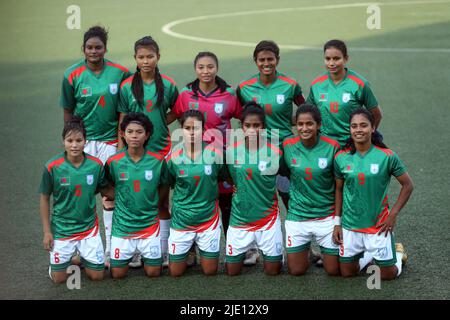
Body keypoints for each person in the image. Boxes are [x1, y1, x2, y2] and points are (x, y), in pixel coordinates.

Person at [60, 25, 130, 266]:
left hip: (111, 142)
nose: (93, 51)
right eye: (89, 47)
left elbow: (125, 109)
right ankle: (81, 249)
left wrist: (122, 143)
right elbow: (68, 112)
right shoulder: (71, 75)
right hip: (83, 143)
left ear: (105, 48)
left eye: (98, 47)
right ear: (83, 48)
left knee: (110, 197)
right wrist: (70, 144)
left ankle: (111, 250)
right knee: (81, 196)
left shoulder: (120, 73)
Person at [236, 40, 305, 264]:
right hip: (255, 153)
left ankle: (304, 247)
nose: (266, 63)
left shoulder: (290, 85)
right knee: (255, 197)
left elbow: (304, 112)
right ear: (255, 62)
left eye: (270, 59)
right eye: (262, 60)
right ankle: (252, 248)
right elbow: (241, 117)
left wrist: (291, 124)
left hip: (283, 152)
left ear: (277, 59)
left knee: (290, 199)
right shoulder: (244, 87)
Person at [170, 51, 241, 252]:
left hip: (222, 159)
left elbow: (244, 117)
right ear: (195, 69)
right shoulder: (185, 95)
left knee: (227, 202)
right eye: (201, 67)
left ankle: (233, 248)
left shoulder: (229, 94)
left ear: (217, 68)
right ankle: (189, 250)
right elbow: (178, 117)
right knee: (194, 201)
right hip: (194, 160)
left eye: (210, 67)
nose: (206, 71)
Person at [118, 36, 178, 267]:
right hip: (133, 155)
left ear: (158, 57)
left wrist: (161, 121)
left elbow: (178, 111)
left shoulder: (169, 85)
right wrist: (121, 149)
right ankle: (135, 249)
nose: (145, 61)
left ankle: (162, 251)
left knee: (161, 203)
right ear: (135, 58)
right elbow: (122, 120)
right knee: (136, 202)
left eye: (150, 56)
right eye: (141, 57)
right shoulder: (126, 87)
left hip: (160, 152)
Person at [333, 108, 413, 280]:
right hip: (350, 226)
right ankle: (370, 254)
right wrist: (337, 223)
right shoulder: (341, 157)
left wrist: (393, 214)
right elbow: (338, 190)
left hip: (378, 225)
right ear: (350, 129)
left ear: (373, 128)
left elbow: (407, 185)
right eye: (354, 126)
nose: (358, 130)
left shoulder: (387, 156)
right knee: (347, 273)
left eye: (363, 125)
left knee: (387, 276)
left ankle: (398, 254)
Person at [39, 116, 114, 283]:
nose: (74, 145)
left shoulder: (95, 165)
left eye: (79, 140)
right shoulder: (52, 167)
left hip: (88, 230)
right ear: (63, 141)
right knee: (59, 279)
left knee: (97, 276)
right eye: (70, 140)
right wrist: (47, 232)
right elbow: (44, 198)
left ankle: (80, 258)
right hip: (62, 230)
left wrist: (129, 193)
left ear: (85, 141)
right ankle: (60, 264)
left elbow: (106, 190)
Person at [105, 112, 169, 279]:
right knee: (117, 274)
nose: (134, 136)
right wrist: (119, 197)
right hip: (122, 227)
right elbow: (106, 187)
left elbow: (164, 186)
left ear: (147, 135)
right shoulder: (113, 162)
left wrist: (154, 203)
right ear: (122, 134)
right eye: (130, 131)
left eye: (139, 132)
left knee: (154, 273)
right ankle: (129, 253)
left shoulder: (158, 161)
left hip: (149, 226)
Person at [225, 102, 283, 276]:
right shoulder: (230, 152)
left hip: (268, 219)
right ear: (241, 127)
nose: (252, 129)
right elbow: (230, 178)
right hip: (239, 219)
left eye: (256, 125)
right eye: (247, 125)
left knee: (273, 271)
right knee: (232, 272)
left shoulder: (275, 152)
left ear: (263, 127)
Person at [283, 103, 340, 276]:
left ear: (319, 125)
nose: (304, 128)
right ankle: (305, 250)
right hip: (298, 216)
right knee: (296, 271)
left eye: (309, 124)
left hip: (326, 217)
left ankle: (367, 252)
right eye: (300, 124)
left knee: (334, 271)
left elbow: (339, 187)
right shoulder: (287, 145)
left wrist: (338, 221)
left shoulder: (332, 146)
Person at [166, 110, 224, 276]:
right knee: (175, 272)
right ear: (181, 129)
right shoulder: (173, 158)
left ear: (204, 130)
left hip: (208, 220)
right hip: (182, 221)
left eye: (196, 128)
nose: (192, 132)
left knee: (210, 271)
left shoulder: (216, 154)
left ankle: (197, 247)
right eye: (187, 128)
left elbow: (223, 177)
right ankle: (189, 249)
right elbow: (168, 184)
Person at [307, 39, 382, 147]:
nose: (331, 63)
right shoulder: (316, 85)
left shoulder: (359, 84)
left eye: (336, 59)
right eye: (328, 59)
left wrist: (365, 136)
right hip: (325, 145)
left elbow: (377, 115)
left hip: (350, 145)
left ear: (346, 58)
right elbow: (308, 114)